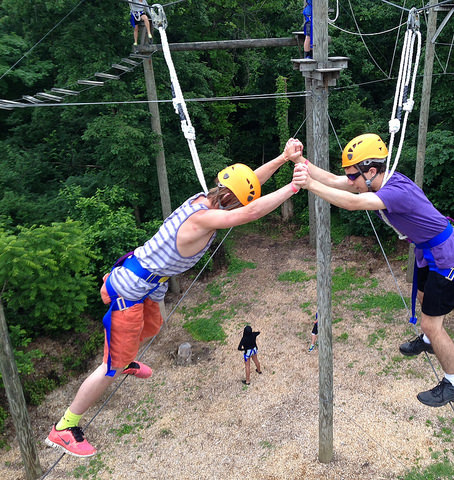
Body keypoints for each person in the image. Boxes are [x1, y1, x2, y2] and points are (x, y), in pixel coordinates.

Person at [45, 141, 307, 457]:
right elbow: (250, 210)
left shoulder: (206, 198)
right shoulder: (203, 220)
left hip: (143, 283)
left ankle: (126, 358)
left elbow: (247, 186)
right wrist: (294, 187)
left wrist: (282, 158)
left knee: (154, 326)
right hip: (131, 289)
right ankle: (64, 427)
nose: (238, 204)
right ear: (230, 201)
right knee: (108, 368)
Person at [291, 134, 454, 408]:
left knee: (431, 324)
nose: (350, 182)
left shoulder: (394, 191)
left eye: (354, 177)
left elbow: (352, 202)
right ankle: (428, 341)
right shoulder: (375, 182)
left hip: (446, 255)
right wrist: (299, 161)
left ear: (371, 171)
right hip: (428, 250)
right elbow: (336, 182)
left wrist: (309, 185)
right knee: (422, 298)